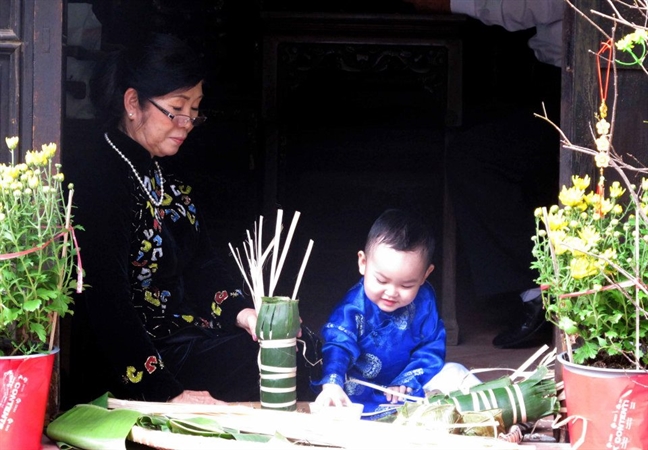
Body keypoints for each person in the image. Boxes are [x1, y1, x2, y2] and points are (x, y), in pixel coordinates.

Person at [62, 33, 317, 407]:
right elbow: (105, 299)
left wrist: (242, 313)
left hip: (181, 339)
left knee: (296, 344)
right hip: (134, 360)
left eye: (195, 110)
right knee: (263, 367)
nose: (187, 123)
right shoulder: (100, 177)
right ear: (133, 103)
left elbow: (201, 264)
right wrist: (167, 392)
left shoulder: (163, 172)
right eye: (176, 109)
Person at [404, 0, 563, 348]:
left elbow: (521, 7)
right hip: (541, 79)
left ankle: (538, 295)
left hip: (578, 86)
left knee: (474, 156)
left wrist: (441, 3)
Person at [312, 209, 480, 417]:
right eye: (381, 281)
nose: (391, 293)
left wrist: (407, 380)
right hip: (362, 392)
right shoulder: (353, 307)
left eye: (407, 285)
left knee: (456, 373)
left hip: (411, 388)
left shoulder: (424, 299)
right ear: (363, 263)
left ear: (425, 275)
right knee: (337, 403)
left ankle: (494, 411)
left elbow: (431, 346)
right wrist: (332, 384)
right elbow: (338, 345)